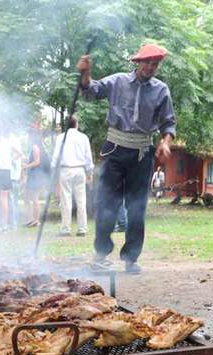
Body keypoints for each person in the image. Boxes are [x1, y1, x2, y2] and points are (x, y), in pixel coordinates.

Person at [77, 43, 175, 274]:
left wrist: (165, 142)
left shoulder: (161, 90)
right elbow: (91, 91)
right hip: (114, 150)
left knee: (136, 209)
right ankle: (101, 255)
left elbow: (168, 123)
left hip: (142, 154)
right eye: (147, 62)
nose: (151, 67)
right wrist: (85, 73)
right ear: (137, 62)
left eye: (155, 64)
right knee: (106, 204)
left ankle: (131, 258)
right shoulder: (118, 81)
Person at [51, 115, 94, 236]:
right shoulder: (83, 137)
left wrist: (53, 170)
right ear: (76, 124)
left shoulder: (60, 138)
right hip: (80, 170)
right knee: (81, 200)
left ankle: (66, 229)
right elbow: (88, 156)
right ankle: (82, 228)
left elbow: (56, 156)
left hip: (65, 170)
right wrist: (89, 172)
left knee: (66, 200)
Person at [23, 127, 50, 227]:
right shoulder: (38, 146)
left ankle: (36, 220)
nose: (28, 137)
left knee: (34, 198)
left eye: (29, 135)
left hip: (35, 176)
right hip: (35, 175)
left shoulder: (35, 147)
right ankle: (31, 219)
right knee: (28, 197)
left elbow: (37, 161)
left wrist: (26, 166)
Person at [8, 134, 24, 230]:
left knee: (11, 202)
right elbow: (21, 161)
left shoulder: (10, 142)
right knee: (15, 202)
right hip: (16, 178)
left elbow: (20, 157)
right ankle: (15, 221)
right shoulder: (17, 141)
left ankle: (13, 223)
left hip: (11, 178)